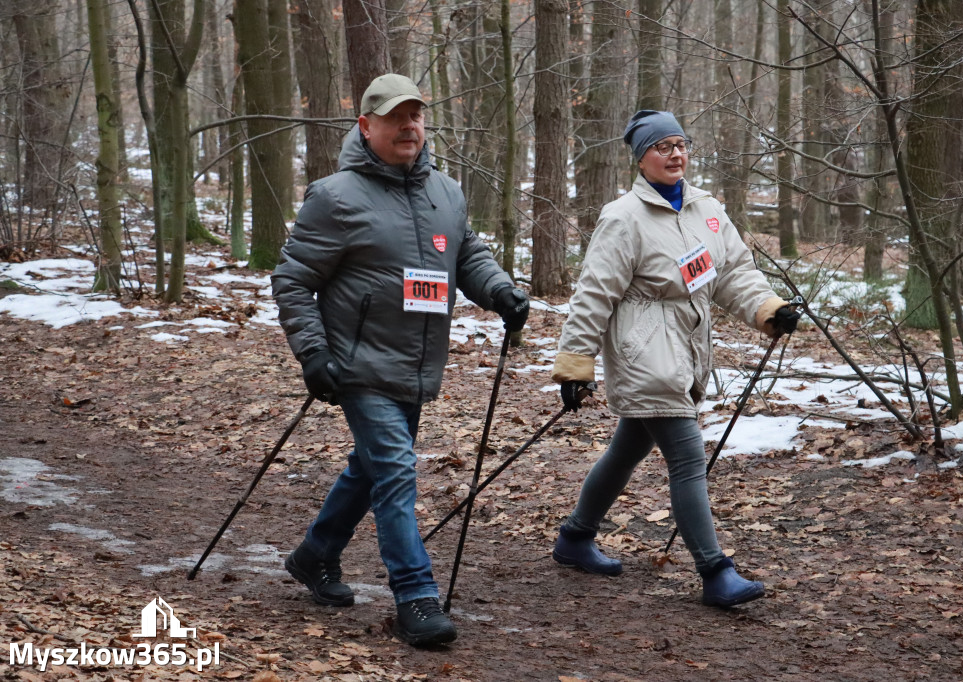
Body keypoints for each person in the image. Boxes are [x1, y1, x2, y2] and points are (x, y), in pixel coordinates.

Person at [271, 73, 530, 647]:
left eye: (416, 115)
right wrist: (313, 353)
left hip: (417, 365)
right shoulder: (334, 196)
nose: (409, 126)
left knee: (370, 468)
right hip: (358, 365)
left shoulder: (447, 192)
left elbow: (467, 255)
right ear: (366, 126)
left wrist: (501, 291)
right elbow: (292, 280)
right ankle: (415, 596)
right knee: (394, 471)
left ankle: (315, 555)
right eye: (395, 117)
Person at [549, 110, 800, 608]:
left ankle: (575, 538)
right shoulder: (624, 217)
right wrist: (576, 360)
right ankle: (715, 571)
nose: (674, 154)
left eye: (680, 144)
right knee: (687, 458)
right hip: (645, 348)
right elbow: (595, 292)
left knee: (628, 449)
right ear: (641, 158)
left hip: (688, 343)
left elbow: (733, 273)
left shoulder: (707, 209)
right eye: (662, 146)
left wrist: (768, 309)